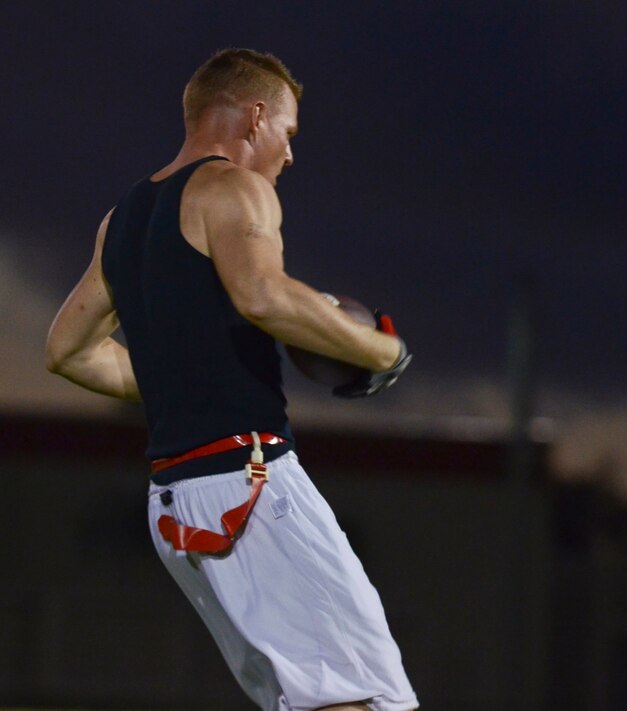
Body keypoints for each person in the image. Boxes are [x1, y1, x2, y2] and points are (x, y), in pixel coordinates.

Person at [45, 48, 417, 711]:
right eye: (289, 132)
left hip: (173, 503)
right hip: (249, 487)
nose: (290, 155)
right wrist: (380, 350)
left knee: (305, 698)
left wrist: (170, 373)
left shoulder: (122, 218)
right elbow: (264, 296)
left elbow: (68, 351)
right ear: (254, 117)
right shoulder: (236, 188)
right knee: (363, 695)